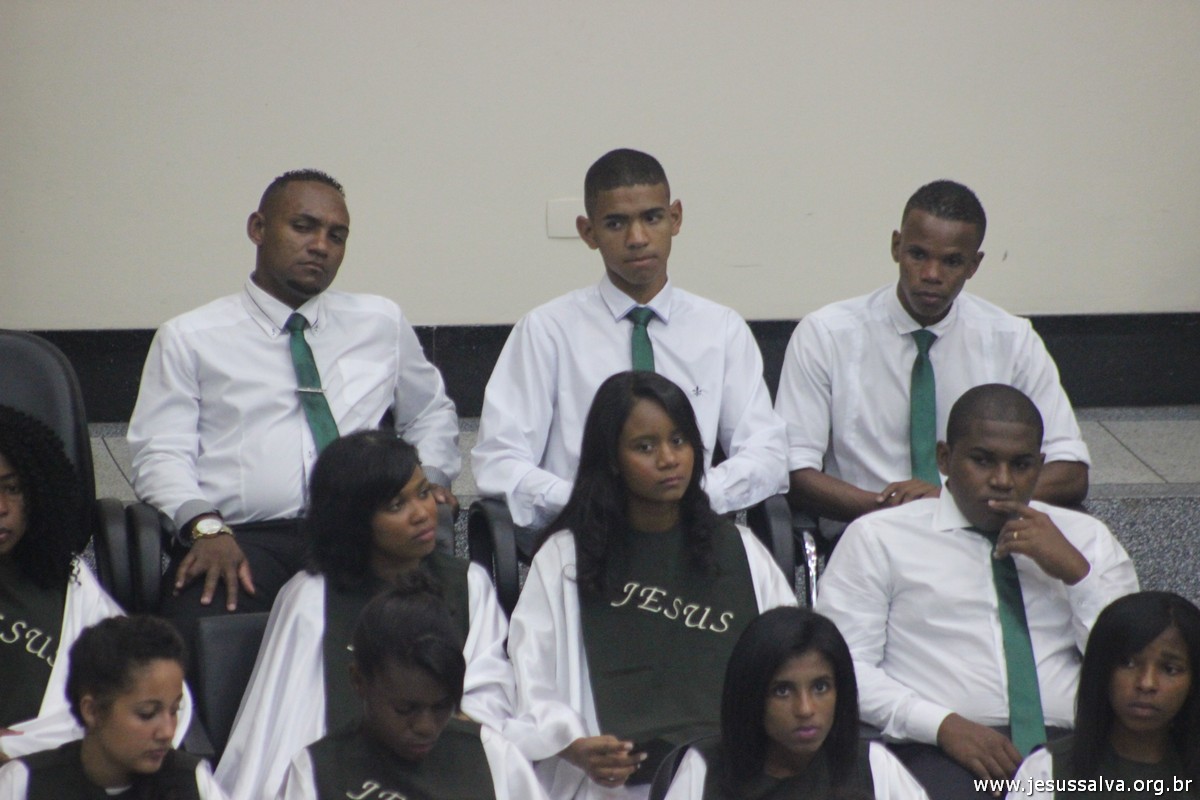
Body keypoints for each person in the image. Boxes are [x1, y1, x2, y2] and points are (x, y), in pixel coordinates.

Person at [127, 168, 460, 622]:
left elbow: (430, 413)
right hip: (246, 538)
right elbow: (160, 453)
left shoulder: (379, 322)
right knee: (199, 613)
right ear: (258, 228)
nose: (321, 245)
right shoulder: (190, 337)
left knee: (441, 611)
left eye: (336, 236)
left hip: (367, 532)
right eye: (303, 227)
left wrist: (430, 481)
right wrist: (205, 527)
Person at [816, 384, 1139, 800]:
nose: (1003, 481)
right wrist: (941, 725)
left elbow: (1136, 663)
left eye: (1021, 465)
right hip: (936, 748)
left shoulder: (1086, 539)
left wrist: (1078, 576)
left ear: (1040, 466)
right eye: (983, 461)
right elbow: (843, 668)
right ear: (944, 458)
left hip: (1073, 748)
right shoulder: (879, 537)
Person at [505, 371, 797, 800]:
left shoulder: (742, 549)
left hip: (736, 780)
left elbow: (792, 657)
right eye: (645, 447)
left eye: (679, 441)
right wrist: (573, 746)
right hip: (611, 785)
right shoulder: (565, 558)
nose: (668, 459)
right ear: (611, 459)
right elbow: (532, 678)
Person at [472, 148, 786, 535]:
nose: (637, 238)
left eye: (652, 218)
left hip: (692, 537)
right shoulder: (545, 331)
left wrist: (689, 497)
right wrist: (588, 501)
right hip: (581, 538)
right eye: (616, 223)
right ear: (588, 232)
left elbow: (767, 453)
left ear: (675, 218)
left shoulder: (721, 329)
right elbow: (498, 461)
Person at [775, 180, 1090, 540]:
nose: (931, 275)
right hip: (866, 533)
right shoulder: (826, 335)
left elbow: (1071, 472)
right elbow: (792, 471)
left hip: (982, 535)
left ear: (974, 264)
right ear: (896, 246)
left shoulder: (1012, 341)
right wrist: (892, 513)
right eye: (918, 255)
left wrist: (951, 502)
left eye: (952, 261)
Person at [216, 430, 512, 800]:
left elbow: (490, 692)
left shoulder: (468, 583)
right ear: (354, 519)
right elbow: (289, 727)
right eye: (396, 505)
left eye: (423, 493)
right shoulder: (312, 598)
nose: (422, 514)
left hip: (444, 764)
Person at [0, 405, 191, 763]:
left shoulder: (64, 577)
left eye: (13, 488)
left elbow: (151, 689)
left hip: (53, 772)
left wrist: (16, 750)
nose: (2, 507)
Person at [275, 575, 547, 800]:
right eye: (405, 709)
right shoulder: (316, 772)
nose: (426, 727)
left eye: (442, 707)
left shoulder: (491, 754)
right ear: (359, 681)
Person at [663, 606, 929, 799]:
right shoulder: (705, 769)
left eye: (820, 687)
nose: (805, 709)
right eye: (782, 691)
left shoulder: (874, 766)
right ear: (752, 696)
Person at [0, 615, 224, 799]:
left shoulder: (192, 783)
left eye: (174, 711)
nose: (167, 732)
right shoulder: (24, 783)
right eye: (147, 714)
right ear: (92, 711)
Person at [1007, 591, 1200, 799]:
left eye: (1170, 669)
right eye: (1128, 663)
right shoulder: (1048, 768)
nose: (1146, 683)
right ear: (1101, 670)